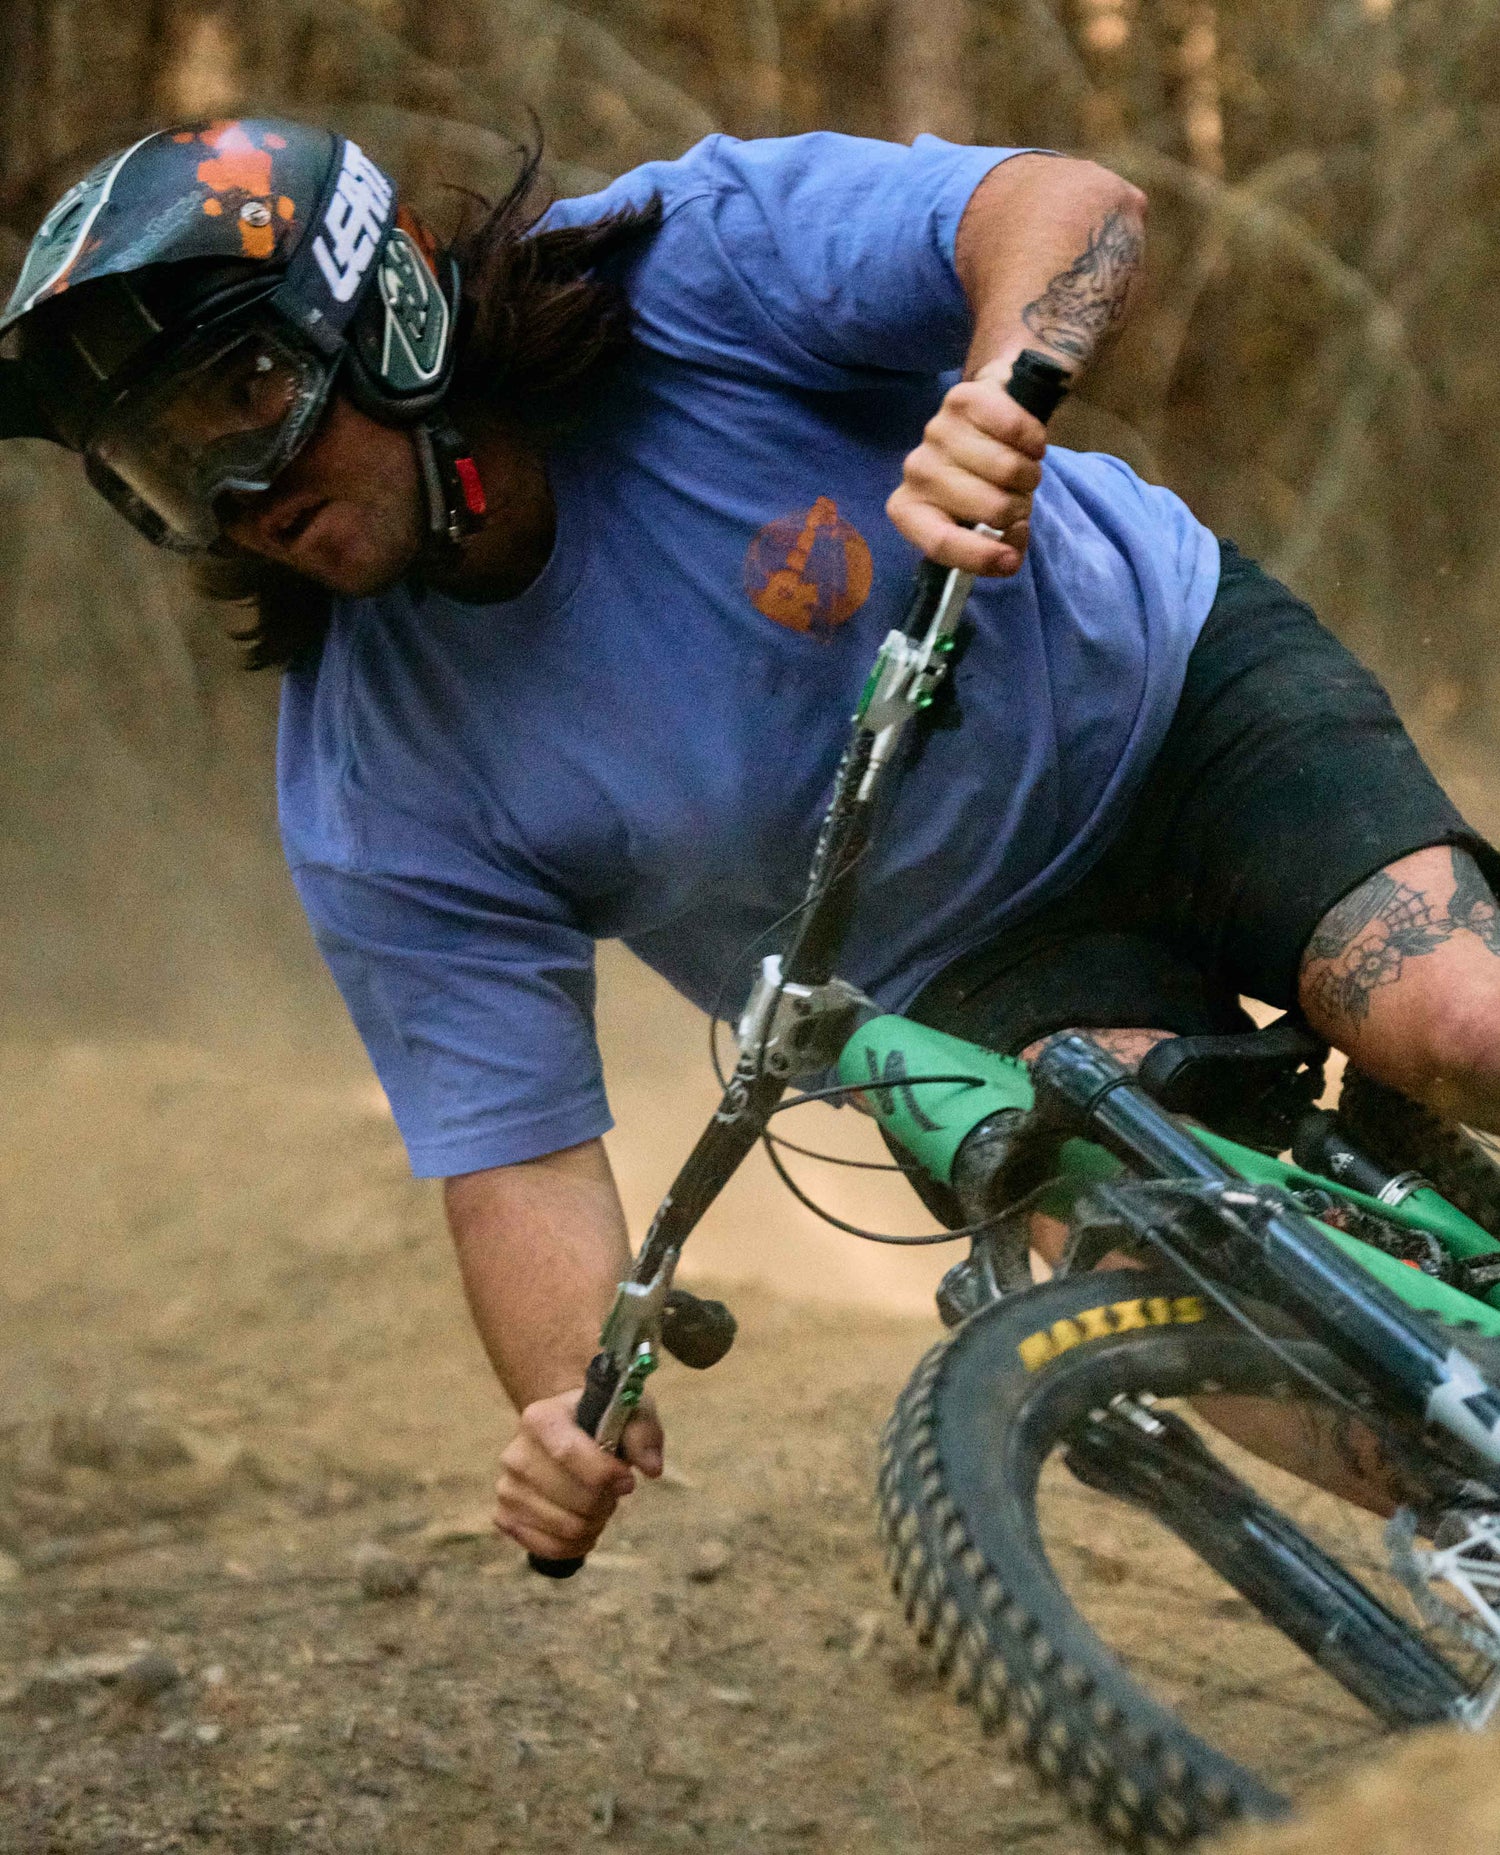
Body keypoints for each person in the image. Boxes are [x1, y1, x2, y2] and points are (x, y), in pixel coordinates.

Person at [5, 116, 1500, 1566]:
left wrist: (1003, 390)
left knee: (1455, 1020)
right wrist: (560, 1406)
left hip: (1167, 701)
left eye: (248, 395)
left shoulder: (687, 266)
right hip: (954, 979)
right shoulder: (371, 784)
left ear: (378, 306)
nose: (239, 498)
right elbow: (517, 1155)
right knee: (1176, 1287)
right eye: (163, 466)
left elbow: (1069, 203)